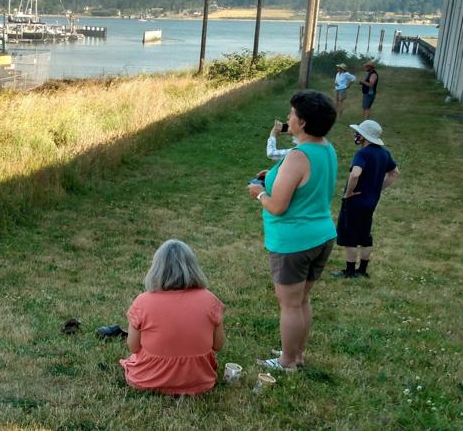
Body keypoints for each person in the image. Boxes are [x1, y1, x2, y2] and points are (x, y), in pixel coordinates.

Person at [247, 90, 338, 371]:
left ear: (303, 122)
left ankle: (286, 362)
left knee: (289, 304)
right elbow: (304, 181)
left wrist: (259, 192)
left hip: (294, 242)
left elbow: (276, 206)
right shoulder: (326, 148)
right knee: (301, 300)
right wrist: (272, 174)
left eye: (292, 115)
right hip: (321, 235)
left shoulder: (299, 156)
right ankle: (296, 353)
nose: (288, 118)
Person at [120, 239, 225, 396]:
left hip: (147, 380)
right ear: (193, 267)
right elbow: (218, 345)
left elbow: (133, 347)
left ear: (156, 268)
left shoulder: (143, 301)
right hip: (199, 381)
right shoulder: (210, 300)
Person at [333, 120, 400, 278]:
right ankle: (362, 270)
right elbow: (395, 172)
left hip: (355, 201)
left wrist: (349, 192)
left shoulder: (362, 154)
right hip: (371, 202)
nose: (356, 136)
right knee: (365, 235)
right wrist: (378, 188)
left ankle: (349, 272)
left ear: (364, 136)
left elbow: (355, 173)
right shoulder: (384, 153)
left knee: (350, 235)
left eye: (359, 133)